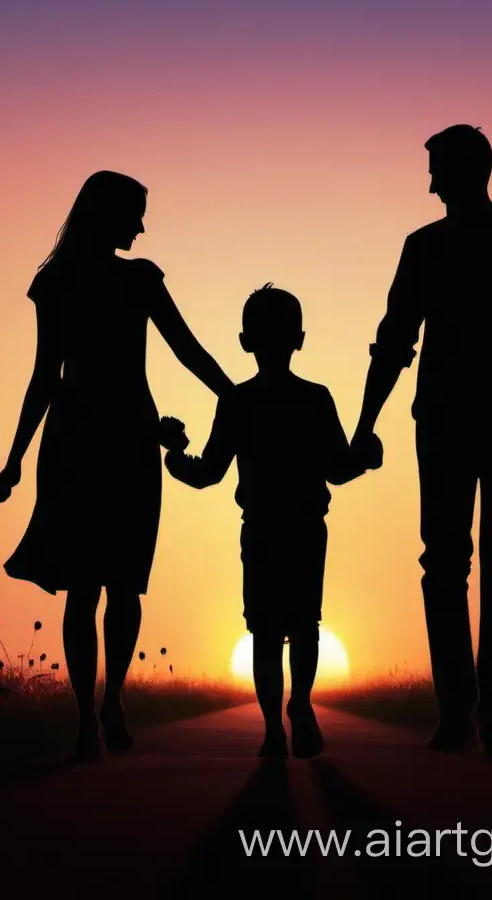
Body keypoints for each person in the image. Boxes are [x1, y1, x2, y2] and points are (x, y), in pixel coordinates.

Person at [350, 125, 492, 755]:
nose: (429, 182)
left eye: (435, 169)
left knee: (460, 567)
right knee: (489, 569)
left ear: (462, 171)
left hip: (471, 423)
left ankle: (472, 712)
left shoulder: (446, 247)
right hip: (486, 422)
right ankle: (476, 711)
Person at [0, 170, 233, 760]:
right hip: (104, 438)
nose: (143, 226)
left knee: (112, 584)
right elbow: (44, 374)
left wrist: (233, 394)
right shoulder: (75, 281)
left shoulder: (121, 279)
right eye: (137, 213)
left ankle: (104, 705)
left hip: (105, 437)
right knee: (102, 584)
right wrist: (16, 456)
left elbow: (183, 348)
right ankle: (92, 711)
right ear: (109, 214)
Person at [163, 284, 382, 759]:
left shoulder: (238, 403)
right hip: (306, 528)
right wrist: (365, 458)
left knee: (264, 631)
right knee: (305, 624)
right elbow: (337, 469)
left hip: (261, 529)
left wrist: (175, 458)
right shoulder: (316, 399)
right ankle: (299, 706)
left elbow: (209, 474)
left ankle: (272, 731)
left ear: (245, 341)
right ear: (299, 339)